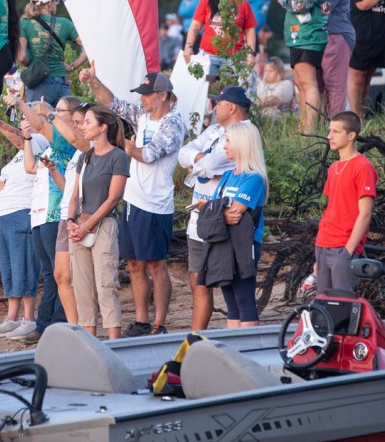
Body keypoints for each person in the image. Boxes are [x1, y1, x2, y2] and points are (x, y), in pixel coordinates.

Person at [79, 66, 184, 336]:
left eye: (146, 94)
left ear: (163, 95)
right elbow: (112, 104)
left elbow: (149, 155)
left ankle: (159, 323)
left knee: (156, 264)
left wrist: (126, 146)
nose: (141, 99)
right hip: (133, 201)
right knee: (135, 264)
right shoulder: (143, 116)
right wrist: (93, 81)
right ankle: (141, 321)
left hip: (156, 204)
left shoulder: (173, 123)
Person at [3, 93, 87, 343]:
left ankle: (54, 324)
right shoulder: (51, 146)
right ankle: (46, 325)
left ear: (73, 117)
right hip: (39, 214)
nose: (54, 114)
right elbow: (30, 166)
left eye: (60, 111)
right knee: (49, 274)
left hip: (55, 213)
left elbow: (41, 124)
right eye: (56, 110)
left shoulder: (68, 143)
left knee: (59, 274)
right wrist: (28, 137)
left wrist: (24, 105)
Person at [178, 85, 251, 330]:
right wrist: (201, 160)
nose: (214, 106)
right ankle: (195, 338)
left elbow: (209, 166)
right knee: (197, 281)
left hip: (222, 220)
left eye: (219, 102)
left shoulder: (244, 133)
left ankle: (236, 339)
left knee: (232, 289)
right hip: (200, 218)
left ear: (232, 107)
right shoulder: (214, 130)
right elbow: (183, 153)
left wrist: (199, 163)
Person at [0, 113, 46, 339]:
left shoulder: (39, 141)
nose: (25, 122)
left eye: (30, 118)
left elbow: (18, 138)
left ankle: (29, 318)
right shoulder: (21, 152)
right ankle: (12, 317)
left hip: (21, 212)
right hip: (3, 215)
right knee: (9, 269)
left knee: (24, 266)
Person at [196, 120, 268, 327]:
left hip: (244, 244)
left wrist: (211, 209)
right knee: (231, 301)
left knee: (244, 298)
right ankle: (234, 345)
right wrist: (216, 210)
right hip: (223, 241)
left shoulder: (254, 178)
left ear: (242, 143)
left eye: (228, 141)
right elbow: (220, 212)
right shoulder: (228, 175)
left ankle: (249, 345)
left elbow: (235, 213)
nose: (224, 146)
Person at [66, 105, 129, 339]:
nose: (83, 127)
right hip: (80, 225)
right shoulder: (85, 157)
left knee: (106, 285)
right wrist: (71, 221)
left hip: (103, 225)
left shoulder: (118, 157)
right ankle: (89, 342)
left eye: (88, 122)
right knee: (82, 288)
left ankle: (114, 343)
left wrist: (86, 226)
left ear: (103, 128)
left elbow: (113, 199)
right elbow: (74, 194)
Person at [314, 112, 377, 294]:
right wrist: (319, 253)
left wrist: (348, 251)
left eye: (335, 132)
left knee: (342, 304)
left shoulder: (363, 167)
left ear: (351, 136)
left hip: (343, 246)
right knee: (322, 304)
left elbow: (365, 214)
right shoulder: (334, 167)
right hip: (323, 244)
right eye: (330, 131)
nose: (329, 136)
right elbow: (332, 208)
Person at [278, 0, 331, 133]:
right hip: (302, 38)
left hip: (308, 39)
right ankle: (303, 126)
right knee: (301, 84)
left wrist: (284, 0)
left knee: (309, 84)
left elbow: (302, 4)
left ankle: (309, 130)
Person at [183, 0, 257, 81]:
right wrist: (188, 46)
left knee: (228, 90)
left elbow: (250, 30)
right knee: (206, 88)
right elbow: (195, 26)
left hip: (233, 57)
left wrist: (250, 53)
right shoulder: (207, 1)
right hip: (208, 55)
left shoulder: (243, 3)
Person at [18, 0, 85, 105]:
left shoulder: (24, 22)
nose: (56, 5)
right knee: (63, 117)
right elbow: (88, 46)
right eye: (55, 2)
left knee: (36, 117)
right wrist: (72, 66)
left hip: (38, 82)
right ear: (49, 3)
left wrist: (33, 65)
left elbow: (22, 57)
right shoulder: (65, 23)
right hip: (62, 82)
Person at [319, 0, 356, 117]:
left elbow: (324, 8)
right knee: (325, 85)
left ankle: (336, 122)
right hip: (330, 36)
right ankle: (327, 123)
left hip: (337, 35)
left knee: (335, 85)